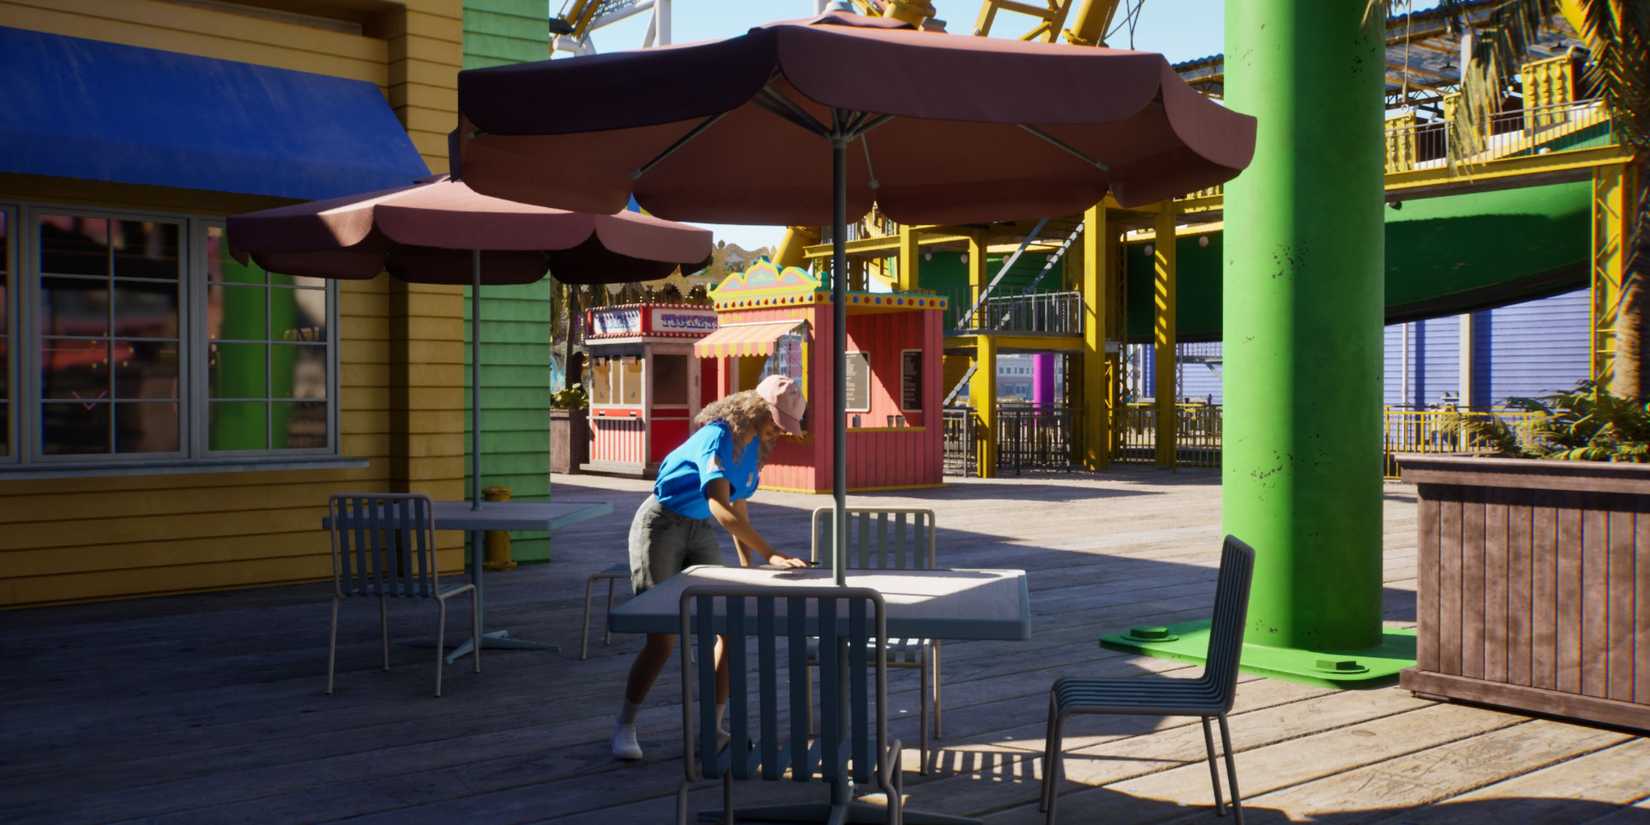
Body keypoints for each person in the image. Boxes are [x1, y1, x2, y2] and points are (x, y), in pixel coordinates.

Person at [612, 373, 810, 761]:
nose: (779, 432)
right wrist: (770, 553)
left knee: (730, 628)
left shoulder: (756, 448)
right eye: (776, 421)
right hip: (661, 522)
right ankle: (625, 724)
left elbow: (738, 504)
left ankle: (712, 728)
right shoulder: (719, 435)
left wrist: (745, 563)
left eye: (785, 427)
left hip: (698, 527)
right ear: (756, 409)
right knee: (663, 637)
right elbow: (720, 505)